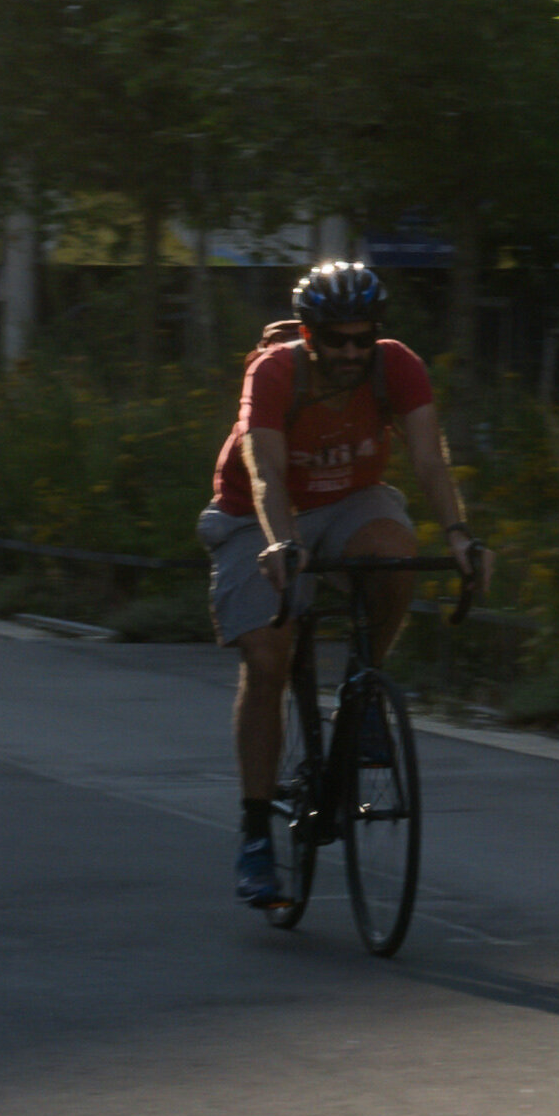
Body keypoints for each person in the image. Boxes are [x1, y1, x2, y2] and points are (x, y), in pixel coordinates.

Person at [210, 258, 469, 913]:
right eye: (338, 340)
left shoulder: (395, 365)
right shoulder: (274, 371)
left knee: (392, 554)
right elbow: (265, 469)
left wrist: (462, 537)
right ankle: (253, 835)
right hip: (256, 514)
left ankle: (365, 689)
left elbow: (428, 458)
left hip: (352, 499)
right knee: (268, 658)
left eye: (364, 337)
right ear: (307, 332)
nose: (353, 352)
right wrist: (278, 541)